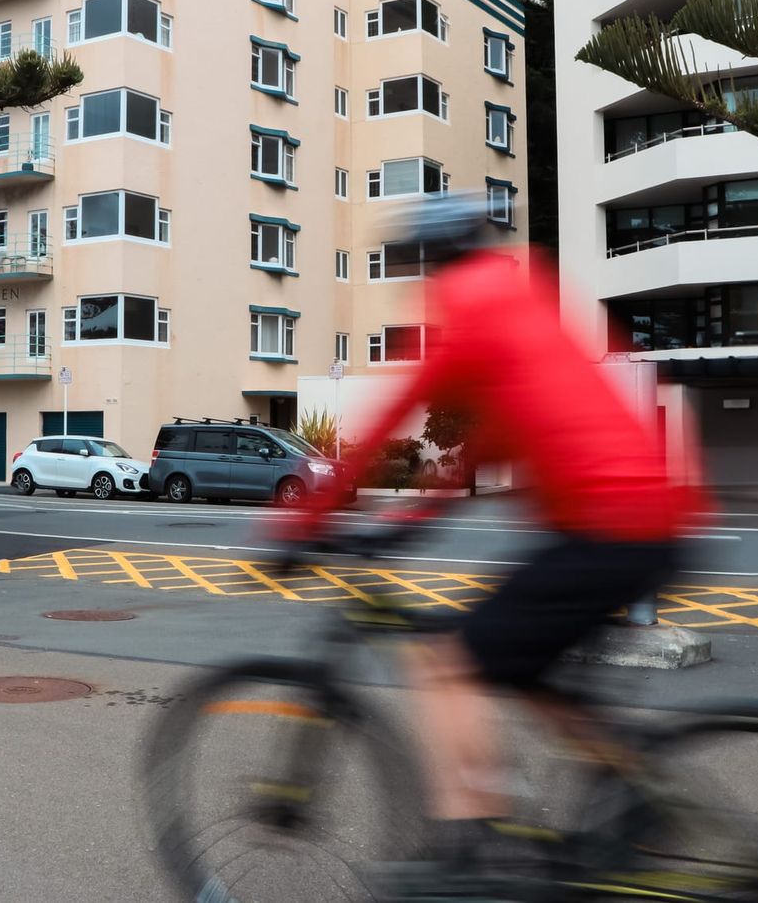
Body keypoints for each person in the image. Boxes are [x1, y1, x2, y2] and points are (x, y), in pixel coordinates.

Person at [281, 194, 708, 864]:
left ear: (435, 263)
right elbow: (484, 444)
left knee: (449, 665)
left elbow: (400, 409)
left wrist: (304, 518)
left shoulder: (473, 311)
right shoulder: (526, 306)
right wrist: (411, 521)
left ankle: (469, 847)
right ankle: (642, 804)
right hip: (652, 521)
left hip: (607, 527)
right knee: (530, 677)